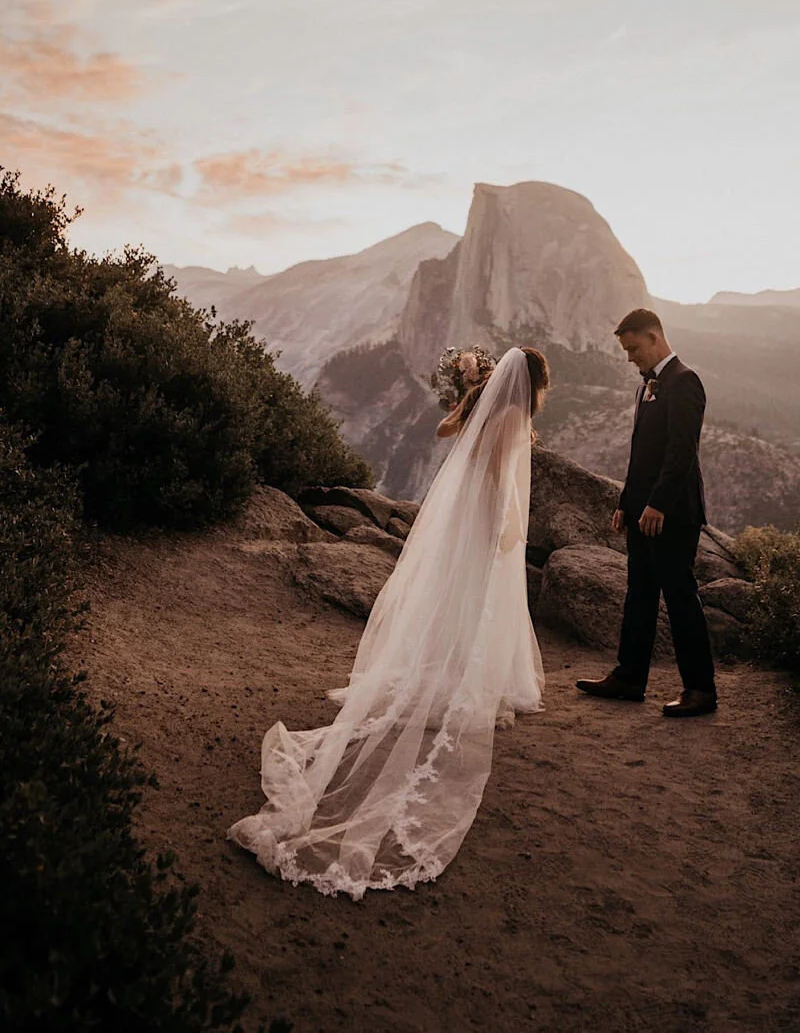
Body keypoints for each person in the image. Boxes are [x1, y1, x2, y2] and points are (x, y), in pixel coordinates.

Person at [229, 347, 551, 897]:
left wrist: (467, 387)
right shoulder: (509, 415)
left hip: (464, 516)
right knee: (475, 594)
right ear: (533, 386)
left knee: (459, 595)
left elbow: (451, 432)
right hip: (483, 516)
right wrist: (508, 523)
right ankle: (457, 677)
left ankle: (445, 668)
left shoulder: (483, 408)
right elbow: (499, 474)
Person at [574, 307, 718, 717]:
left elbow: (681, 452)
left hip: (673, 513)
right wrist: (627, 502)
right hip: (643, 511)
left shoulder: (685, 382)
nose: (630, 357)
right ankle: (629, 677)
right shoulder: (648, 386)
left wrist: (658, 504)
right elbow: (642, 454)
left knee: (679, 597)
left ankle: (701, 691)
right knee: (639, 593)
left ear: (654, 337)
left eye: (634, 348)